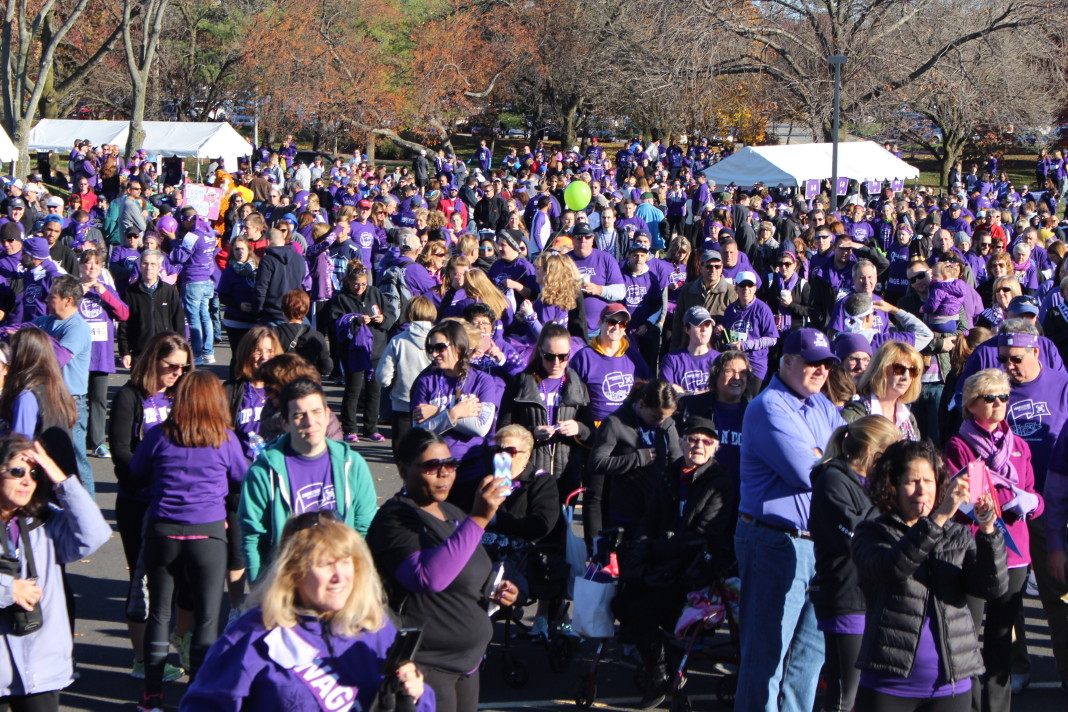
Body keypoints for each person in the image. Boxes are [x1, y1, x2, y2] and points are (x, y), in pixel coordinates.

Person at [179, 513, 432, 712]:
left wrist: (417, 693)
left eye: (346, 562)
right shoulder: (251, 635)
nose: (339, 577)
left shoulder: (374, 626)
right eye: (325, 564)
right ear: (293, 572)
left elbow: (424, 704)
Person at [366, 428, 519, 712]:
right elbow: (428, 577)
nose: (444, 473)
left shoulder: (452, 512)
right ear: (403, 469)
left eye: (450, 464)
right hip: (427, 666)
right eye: (432, 466)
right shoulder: (394, 519)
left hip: (468, 663)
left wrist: (495, 591)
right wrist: (479, 518)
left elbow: (470, 568)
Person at [734, 327, 846, 712]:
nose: (820, 371)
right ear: (786, 361)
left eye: (826, 365)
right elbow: (811, 472)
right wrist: (825, 458)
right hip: (774, 541)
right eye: (812, 363)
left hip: (818, 543)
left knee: (808, 661)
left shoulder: (822, 406)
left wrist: (824, 457)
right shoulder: (768, 406)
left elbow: (846, 464)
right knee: (766, 658)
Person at [851, 440, 1007, 712]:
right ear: (893, 485)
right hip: (887, 685)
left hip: (951, 686)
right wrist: (940, 517)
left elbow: (991, 587)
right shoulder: (872, 533)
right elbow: (894, 568)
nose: (922, 491)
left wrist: (989, 532)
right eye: (912, 481)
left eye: (929, 480)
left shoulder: (957, 534)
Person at [130, 370, 248, 712]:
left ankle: (151, 696)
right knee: (208, 616)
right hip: (208, 533)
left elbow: (137, 470)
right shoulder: (224, 439)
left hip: (163, 530)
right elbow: (242, 475)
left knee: (159, 613)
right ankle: (196, 694)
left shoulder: (160, 436)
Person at [616, 415, 738, 709]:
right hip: (664, 559)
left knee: (645, 609)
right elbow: (649, 518)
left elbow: (704, 534)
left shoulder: (721, 483)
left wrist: (655, 550)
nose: (698, 445)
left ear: (715, 448)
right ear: (682, 443)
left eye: (706, 441)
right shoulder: (668, 474)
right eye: (693, 439)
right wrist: (643, 548)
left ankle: (660, 677)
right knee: (619, 603)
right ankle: (665, 667)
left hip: (698, 566)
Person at [944, 369, 1043, 712]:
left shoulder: (1020, 445)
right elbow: (964, 501)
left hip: (1015, 552)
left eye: (1004, 397)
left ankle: (998, 708)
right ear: (971, 405)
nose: (999, 403)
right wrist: (998, 504)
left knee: (1001, 638)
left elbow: (1034, 496)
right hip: (975, 549)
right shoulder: (959, 445)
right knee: (968, 638)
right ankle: (969, 706)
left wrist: (1031, 503)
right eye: (990, 397)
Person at [0, 436, 110, 712]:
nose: (27, 480)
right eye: (17, 471)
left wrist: (60, 478)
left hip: (39, 667)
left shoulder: (47, 522)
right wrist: (8, 589)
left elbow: (95, 534)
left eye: (34, 473)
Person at [108, 332, 193, 681]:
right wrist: (154, 477)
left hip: (180, 503)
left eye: (183, 368)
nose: (176, 373)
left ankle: (183, 640)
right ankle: (142, 660)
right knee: (143, 582)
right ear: (152, 360)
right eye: (170, 365)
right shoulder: (130, 396)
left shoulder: (181, 395)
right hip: (139, 503)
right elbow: (121, 453)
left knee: (186, 578)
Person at [239, 378, 378, 584]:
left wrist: (360, 583)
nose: (310, 422)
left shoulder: (352, 465)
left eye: (316, 412)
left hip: (342, 584)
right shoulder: (263, 472)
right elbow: (253, 538)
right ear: (284, 422)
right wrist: (261, 594)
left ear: (328, 414)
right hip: (288, 586)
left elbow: (364, 529)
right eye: (299, 415)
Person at [809, 415, 902, 712]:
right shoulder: (832, 480)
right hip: (845, 596)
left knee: (868, 691)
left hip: (871, 596)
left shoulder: (870, 483)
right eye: (890, 456)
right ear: (873, 453)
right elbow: (855, 537)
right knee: (845, 694)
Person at [409, 320, 501, 509]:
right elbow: (419, 431)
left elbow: (481, 428)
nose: (434, 354)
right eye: (431, 348)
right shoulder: (426, 381)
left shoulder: (483, 381)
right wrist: (454, 413)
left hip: (470, 470)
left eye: (440, 347)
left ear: (459, 347)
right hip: (433, 471)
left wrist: (438, 412)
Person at [498, 323, 593, 490]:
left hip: (566, 473)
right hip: (527, 472)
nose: (556, 362)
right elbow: (503, 430)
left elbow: (591, 434)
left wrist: (578, 428)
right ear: (540, 352)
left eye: (563, 357)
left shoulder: (578, 386)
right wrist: (531, 433)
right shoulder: (520, 382)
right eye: (549, 356)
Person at [586, 379, 681, 542]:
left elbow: (676, 458)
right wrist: (637, 458)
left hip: (658, 507)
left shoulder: (666, 423)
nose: (660, 421)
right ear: (642, 404)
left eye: (666, 417)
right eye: (656, 416)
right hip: (627, 509)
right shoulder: (614, 423)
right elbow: (596, 463)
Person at [327, 262, 393, 443]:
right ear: (349, 282)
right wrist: (355, 321)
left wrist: (383, 318)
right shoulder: (341, 298)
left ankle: (371, 428)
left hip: (375, 349)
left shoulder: (375, 293)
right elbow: (335, 323)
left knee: (374, 390)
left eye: (363, 284)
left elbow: (390, 312)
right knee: (353, 390)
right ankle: (349, 428)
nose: (360, 288)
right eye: (356, 284)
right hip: (353, 350)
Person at [78, 250, 129, 459]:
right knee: (78, 401)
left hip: (101, 354)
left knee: (98, 399)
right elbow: (57, 311)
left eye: (95, 265)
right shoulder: (73, 289)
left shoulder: (106, 289)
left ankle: (98, 441)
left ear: (101, 268)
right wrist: (77, 294)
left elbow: (124, 313)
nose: (91, 268)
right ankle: (78, 441)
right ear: (80, 267)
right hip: (78, 356)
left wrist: (105, 294)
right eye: (87, 264)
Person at [570, 303, 651, 423]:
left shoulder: (634, 357)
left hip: (627, 426)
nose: (617, 327)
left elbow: (648, 389)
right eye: (612, 322)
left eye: (622, 323)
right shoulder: (584, 357)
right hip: (596, 428)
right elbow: (571, 395)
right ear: (600, 323)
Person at [376, 296, 435, 456]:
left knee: (402, 452)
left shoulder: (398, 341)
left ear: (410, 313)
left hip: (402, 400)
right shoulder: (439, 340)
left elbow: (383, 376)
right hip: (430, 404)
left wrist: (389, 382)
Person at [842, 340, 924, 440]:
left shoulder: (908, 418)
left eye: (912, 370)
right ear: (880, 369)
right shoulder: (854, 415)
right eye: (899, 368)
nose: (906, 377)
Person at [118, 250, 184, 369]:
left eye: (153, 264)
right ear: (140, 265)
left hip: (166, 353)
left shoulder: (169, 291)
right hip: (140, 354)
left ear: (159, 267)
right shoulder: (130, 293)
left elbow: (178, 323)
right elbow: (124, 326)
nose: (149, 267)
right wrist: (125, 352)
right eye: (145, 263)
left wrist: (180, 350)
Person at [671, 249, 732, 349]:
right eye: (709, 266)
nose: (713, 270)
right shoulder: (687, 290)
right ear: (701, 267)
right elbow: (678, 323)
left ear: (722, 268)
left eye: (717, 266)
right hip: (691, 350)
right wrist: (675, 349)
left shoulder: (731, 292)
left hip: (718, 352)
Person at [254, 229, 309, 325]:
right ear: (284, 241)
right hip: (295, 312)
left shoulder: (267, 260)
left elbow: (261, 289)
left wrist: (258, 312)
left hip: (272, 315)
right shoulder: (299, 258)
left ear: (267, 242)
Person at [274, 289, 332, 376]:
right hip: (307, 383)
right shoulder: (316, 335)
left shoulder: (274, 333)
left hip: (281, 382)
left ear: (283, 309)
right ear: (306, 309)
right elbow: (326, 368)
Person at [217, 235, 259, 350]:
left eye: (242, 249)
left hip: (254, 320)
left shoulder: (257, 268)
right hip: (235, 320)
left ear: (248, 250)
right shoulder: (229, 271)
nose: (240, 252)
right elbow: (222, 296)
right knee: (238, 357)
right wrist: (239, 305)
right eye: (236, 249)